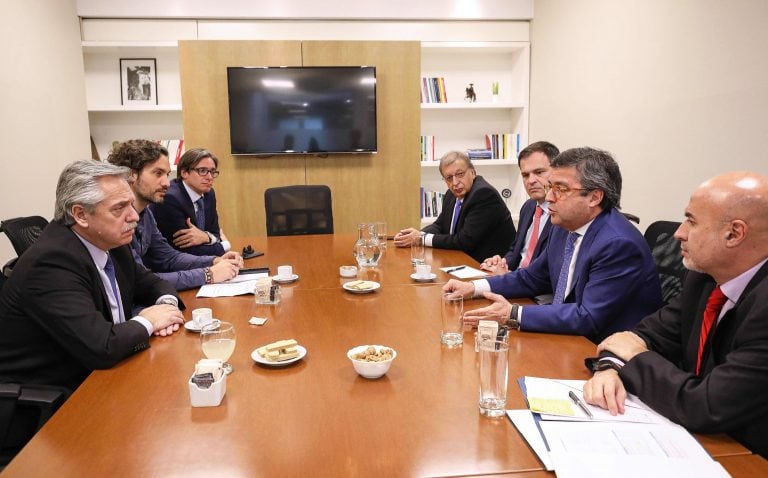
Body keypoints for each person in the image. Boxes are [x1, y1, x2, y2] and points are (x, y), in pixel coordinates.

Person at [583, 171, 768, 458]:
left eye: (691, 221)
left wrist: (634, 358)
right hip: (706, 442)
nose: (678, 233)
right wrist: (609, 368)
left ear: (734, 233)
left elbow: (706, 406)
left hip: (746, 455)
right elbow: (639, 336)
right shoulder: (704, 278)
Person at [0, 160, 185, 392]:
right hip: (57, 398)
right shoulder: (51, 263)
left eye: (131, 204)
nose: (134, 217)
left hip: (108, 372)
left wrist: (166, 309)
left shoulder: (110, 240)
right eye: (119, 208)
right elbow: (102, 346)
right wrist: (149, 321)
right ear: (81, 215)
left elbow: (152, 283)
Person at [445, 147, 662, 343]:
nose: (549, 197)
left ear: (594, 197)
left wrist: (512, 314)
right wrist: (474, 287)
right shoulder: (563, 225)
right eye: (550, 187)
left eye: (560, 189)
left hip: (604, 352)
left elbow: (587, 317)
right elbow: (532, 277)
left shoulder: (618, 244)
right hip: (568, 336)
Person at [107, 140, 242, 290]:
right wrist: (208, 274)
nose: (166, 183)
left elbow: (169, 257)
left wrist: (214, 260)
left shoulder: (146, 214)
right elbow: (139, 280)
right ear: (132, 174)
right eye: (158, 173)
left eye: (166, 174)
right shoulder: (115, 220)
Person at [393, 151, 516, 263]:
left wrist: (421, 239)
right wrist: (415, 236)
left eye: (460, 174)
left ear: (473, 173)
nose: (455, 182)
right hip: (461, 261)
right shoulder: (451, 194)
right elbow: (439, 225)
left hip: (488, 266)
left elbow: (464, 241)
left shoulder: (483, 194)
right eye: (449, 178)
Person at [481, 141, 560, 275]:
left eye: (539, 172)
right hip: (515, 278)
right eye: (525, 175)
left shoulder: (563, 213)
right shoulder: (528, 206)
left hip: (537, 291)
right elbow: (516, 250)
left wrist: (507, 277)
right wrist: (502, 263)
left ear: (557, 171)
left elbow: (548, 270)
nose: (531, 181)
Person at [151, 148, 231, 256]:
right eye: (202, 171)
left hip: (201, 262)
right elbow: (187, 249)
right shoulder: (170, 198)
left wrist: (206, 237)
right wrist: (224, 245)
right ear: (184, 173)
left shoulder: (209, 194)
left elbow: (215, 233)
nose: (210, 177)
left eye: (212, 172)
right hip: (174, 266)